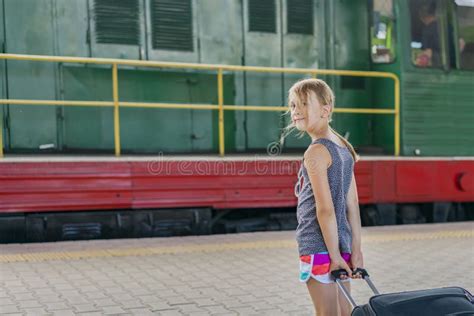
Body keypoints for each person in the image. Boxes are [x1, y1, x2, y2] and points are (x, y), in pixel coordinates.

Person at [287, 78, 364, 316]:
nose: (296, 111)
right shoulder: (343, 146)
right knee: (344, 312)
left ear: (325, 109)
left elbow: (325, 210)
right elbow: (353, 205)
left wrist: (333, 257)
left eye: (303, 104)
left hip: (319, 247)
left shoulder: (316, 151)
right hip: (340, 244)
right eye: (292, 105)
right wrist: (355, 250)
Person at [416, 2, 441, 67]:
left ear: (422, 18)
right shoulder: (449, 27)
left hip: (437, 66)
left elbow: (428, 52)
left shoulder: (427, 31)